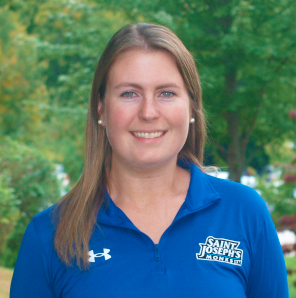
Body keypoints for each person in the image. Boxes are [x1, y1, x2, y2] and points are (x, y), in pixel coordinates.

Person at [10, 23, 288, 297]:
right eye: (129, 93)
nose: (148, 112)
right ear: (101, 109)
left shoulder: (244, 213)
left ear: (191, 106)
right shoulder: (49, 235)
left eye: (166, 93)